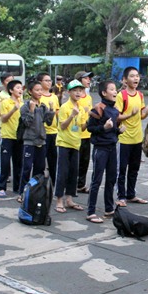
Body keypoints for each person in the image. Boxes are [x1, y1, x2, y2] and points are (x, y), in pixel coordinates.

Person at [85, 80, 123, 223]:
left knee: (111, 179)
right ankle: (91, 211)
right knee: (97, 179)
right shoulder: (98, 109)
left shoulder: (115, 110)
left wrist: (118, 131)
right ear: (103, 93)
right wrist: (104, 128)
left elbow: (112, 130)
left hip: (112, 148)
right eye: (112, 89)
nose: (115, 92)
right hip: (100, 148)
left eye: (115, 89)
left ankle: (109, 208)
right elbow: (90, 128)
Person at [115, 66, 148, 206]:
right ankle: (121, 196)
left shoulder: (140, 95)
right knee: (121, 169)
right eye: (132, 76)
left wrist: (146, 113)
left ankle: (131, 194)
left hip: (137, 138)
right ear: (125, 79)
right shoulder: (121, 96)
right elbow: (116, 116)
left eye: (137, 76)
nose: (136, 78)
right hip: (124, 138)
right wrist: (130, 114)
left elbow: (140, 116)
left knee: (134, 168)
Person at [54, 79, 88, 213]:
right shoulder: (64, 107)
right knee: (62, 172)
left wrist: (91, 119)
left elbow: (82, 127)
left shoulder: (81, 108)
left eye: (80, 90)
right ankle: (59, 200)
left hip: (76, 143)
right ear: (69, 92)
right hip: (64, 143)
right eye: (75, 90)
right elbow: (62, 126)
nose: (78, 93)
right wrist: (72, 115)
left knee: (73, 172)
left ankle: (69, 199)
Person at [18, 80, 54, 197]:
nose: (39, 92)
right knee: (27, 168)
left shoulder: (43, 106)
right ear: (30, 91)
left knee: (40, 168)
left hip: (41, 141)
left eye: (41, 90)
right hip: (29, 141)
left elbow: (48, 122)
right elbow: (27, 123)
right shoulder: (25, 107)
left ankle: (35, 192)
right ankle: (22, 193)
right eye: (37, 90)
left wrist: (51, 110)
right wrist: (32, 110)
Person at [0, 80, 23, 197]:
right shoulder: (5, 102)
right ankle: (1, 187)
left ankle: (17, 187)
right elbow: (3, 119)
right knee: (5, 162)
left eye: (21, 88)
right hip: (7, 136)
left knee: (18, 163)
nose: (20, 90)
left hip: (19, 137)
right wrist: (13, 110)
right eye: (17, 88)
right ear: (11, 90)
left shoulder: (23, 104)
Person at [38, 73, 60, 184]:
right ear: (40, 82)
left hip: (54, 131)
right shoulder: (38, 97)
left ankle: (53, 182)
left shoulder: (54, 97)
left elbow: (57, 113)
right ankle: (39, 183)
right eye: (46, 80)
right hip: (42, 132)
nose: (49, 82)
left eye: (50, 80)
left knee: (53, 159)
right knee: (41, 160)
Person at [75, 71, 94, 193]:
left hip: (87, 133)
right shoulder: (75, 97)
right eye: (86, 78)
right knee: (75, 161)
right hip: (77, 133)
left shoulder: (89, 97)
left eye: (89, 78)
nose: (89, 80)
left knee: (85, 161)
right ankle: (71, 184)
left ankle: (81, 185)